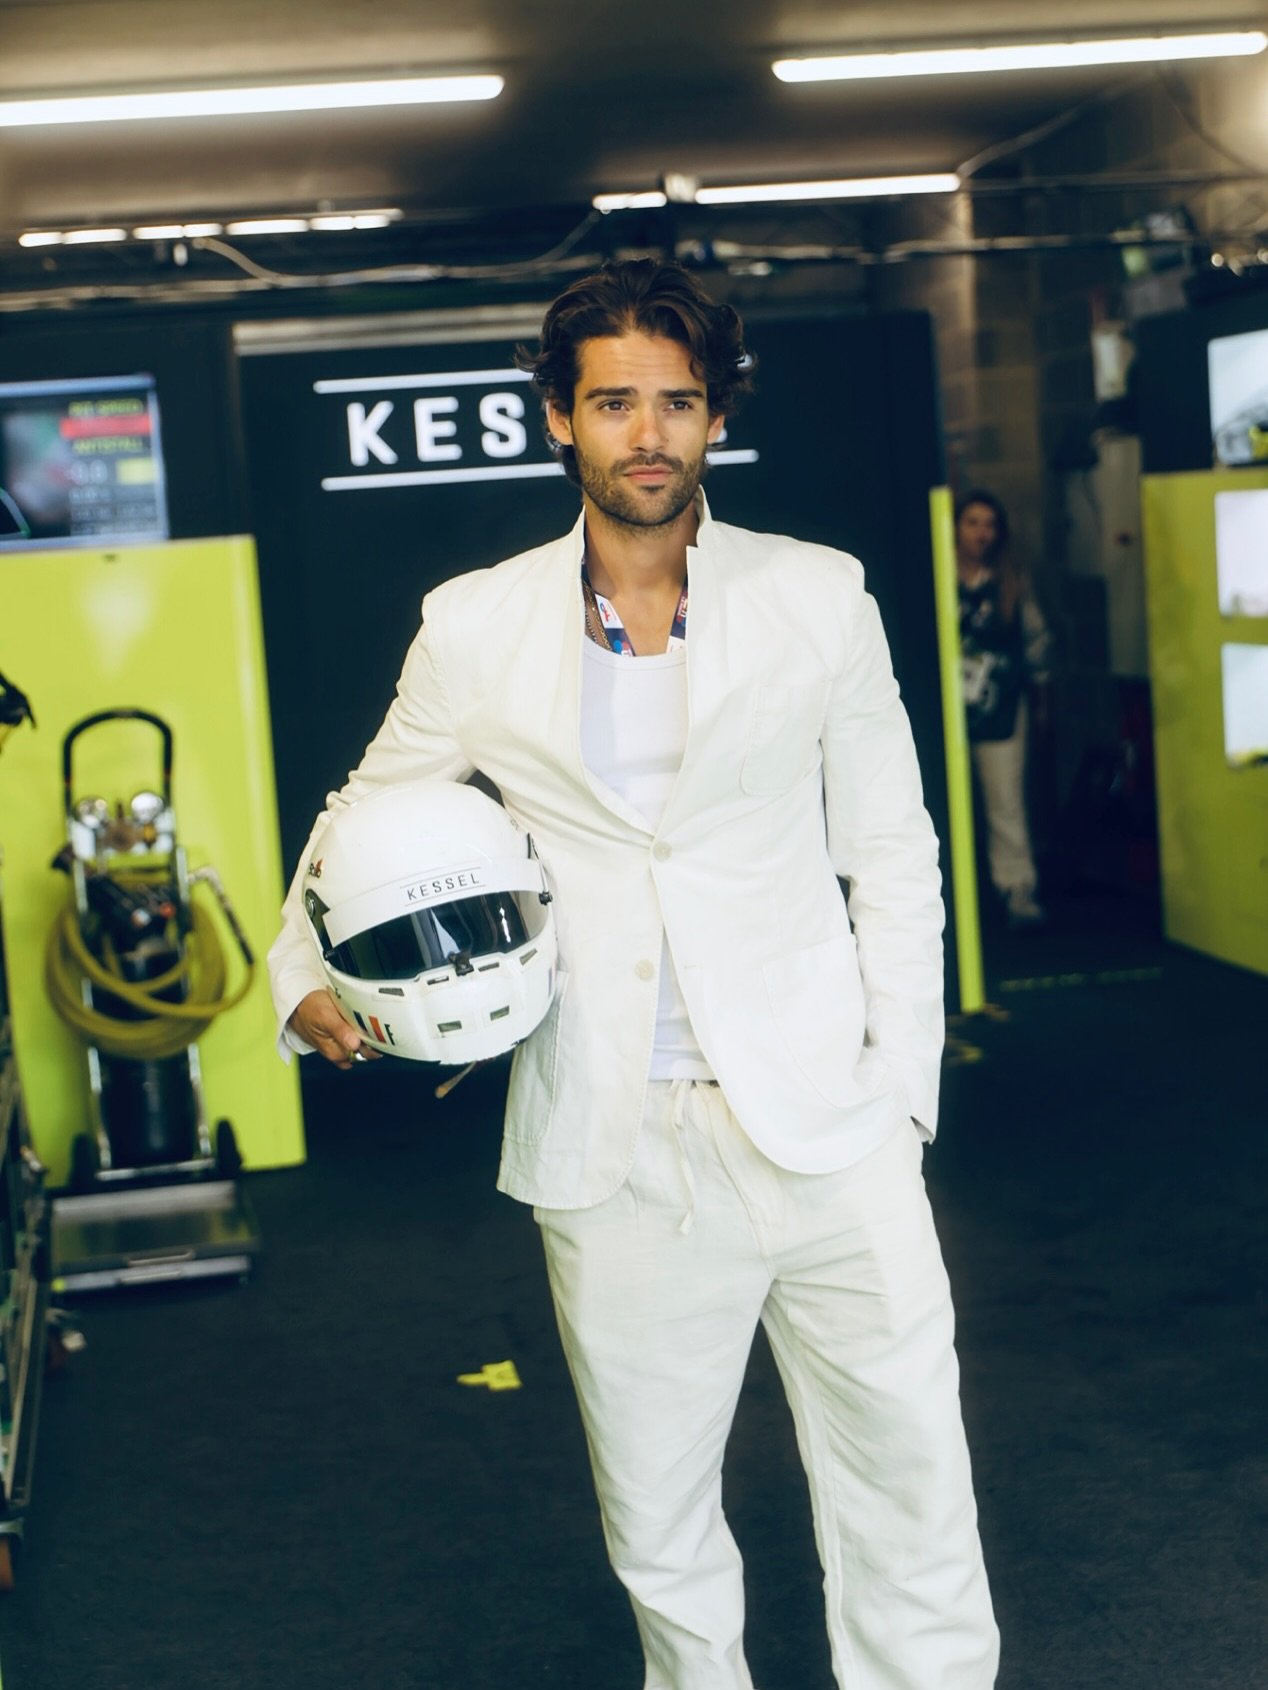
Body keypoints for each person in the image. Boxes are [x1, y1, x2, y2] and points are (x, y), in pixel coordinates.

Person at [268, 259, 998, 1690]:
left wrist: (900, 1094)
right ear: (562, 419)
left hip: (827, 1126)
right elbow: (359, 815)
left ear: (714, 417)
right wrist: (306, 973)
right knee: (659, 1520)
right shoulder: (476, 622)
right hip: (612, 1140)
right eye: (616, 402)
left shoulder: (819, 598)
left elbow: (894, 855)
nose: (648, 432)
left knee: (911, 1483)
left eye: (677, 401)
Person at [955, 488, 1051, 928]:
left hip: (1002, 709)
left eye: (989, 524)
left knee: (1006, 805)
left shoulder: (1011, 582)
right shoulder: (940, 576)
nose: (981, 533)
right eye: (973, 522)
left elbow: (1037, 643)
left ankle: (1017, 891)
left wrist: (1042, 696)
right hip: (947, 712)